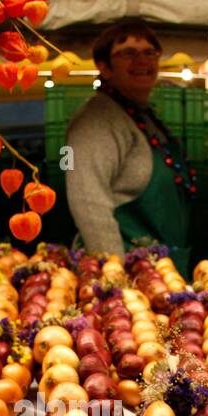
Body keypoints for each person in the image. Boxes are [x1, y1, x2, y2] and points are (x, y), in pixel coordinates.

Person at [65, 21, 193, 270]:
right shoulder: (96, 120)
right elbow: (88, 202)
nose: (142, 61)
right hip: (124, 273)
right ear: (104, 67)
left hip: (158, 270)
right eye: (128, 53)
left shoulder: (143, 116)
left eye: (149, 52)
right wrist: (116, 279)